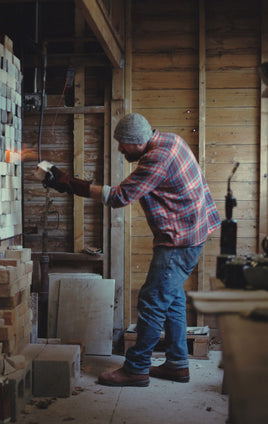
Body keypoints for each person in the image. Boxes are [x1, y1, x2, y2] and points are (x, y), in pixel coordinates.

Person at [42, 113, 221, 387]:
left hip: (179, 241)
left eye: (123, 144)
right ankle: (177, 364)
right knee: (171, 298)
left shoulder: (155, 159)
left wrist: (70, 183)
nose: (119, 149)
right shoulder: (171, 140)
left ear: (138, 142)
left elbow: (118, 197)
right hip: (192, 233)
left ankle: (136, 369)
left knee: (151, 300)